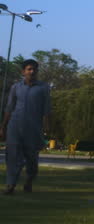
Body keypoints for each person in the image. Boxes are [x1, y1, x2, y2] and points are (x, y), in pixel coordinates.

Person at [1, 59, 51, 195]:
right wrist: (3, 127)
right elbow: (9, 108)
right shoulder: (16, 87)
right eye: (29, 69)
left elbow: (46, 109)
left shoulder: (44, 88)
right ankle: (10, 185)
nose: (32, 71)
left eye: (34, 69)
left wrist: (46, 127)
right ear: (23, 72)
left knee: (32, 159)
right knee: (12, 157)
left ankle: (29, 181)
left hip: (33, 129)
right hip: (15, 127)